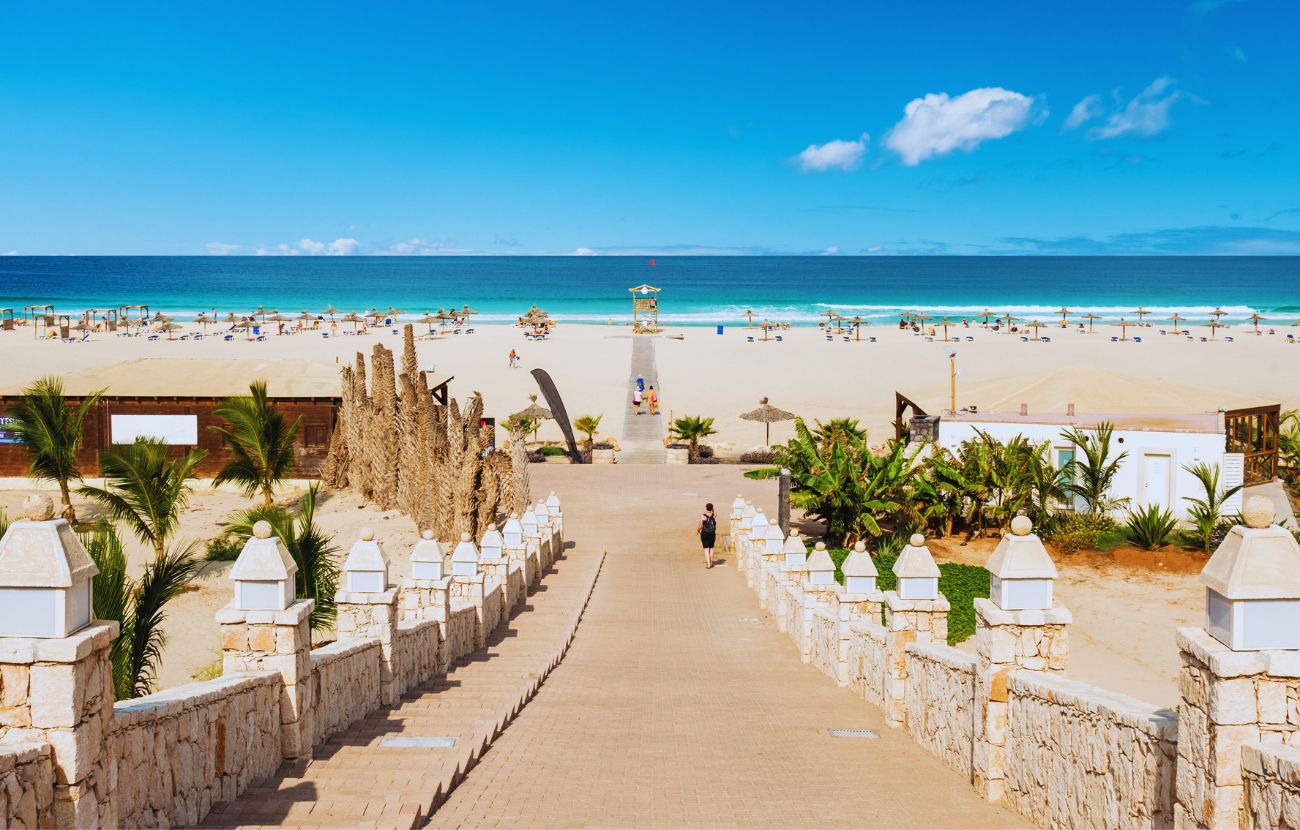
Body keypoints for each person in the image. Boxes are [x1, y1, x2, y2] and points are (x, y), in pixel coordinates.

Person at [697, 503, 717, 568]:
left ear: (706, 508)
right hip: (712, 534)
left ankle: (708, 564)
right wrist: (712, 510)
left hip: (705, 534)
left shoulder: (703, 516)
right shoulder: (714, 515)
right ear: (712, 508)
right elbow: (714, 514)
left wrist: (698, 531)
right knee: (711, 548)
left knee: (706, 549)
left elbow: (700, 525)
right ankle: (710, 563)